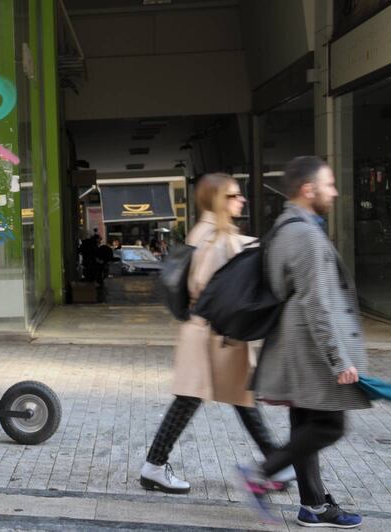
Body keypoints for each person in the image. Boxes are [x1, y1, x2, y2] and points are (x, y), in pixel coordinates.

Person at [140, 173, 293, 494]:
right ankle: (154, 466)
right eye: (234, 195)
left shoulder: (209, 232)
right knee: (197, 399)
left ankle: (273, 465)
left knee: (239, 398)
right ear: (218, 199)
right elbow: (214, 288)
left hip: (210, 335)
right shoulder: (216, 238)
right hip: (211, 335)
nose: (242, 200)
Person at [238, 157, 368, 528]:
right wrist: (339, 359)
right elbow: (316, 301)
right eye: (329, 184)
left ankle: (313, 506)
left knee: (306, 427)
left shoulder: (286, 225)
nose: (335, 191)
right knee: (330, 427)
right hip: (310, 350)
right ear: (308, 189)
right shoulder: (305, 234)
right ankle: (259, 474)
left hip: (294, 346)